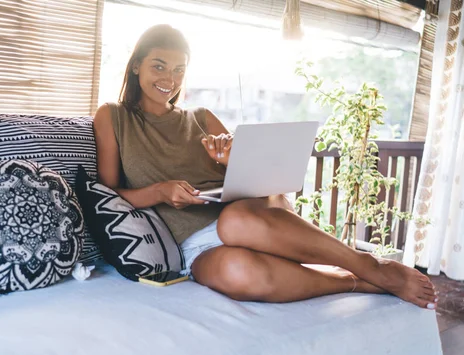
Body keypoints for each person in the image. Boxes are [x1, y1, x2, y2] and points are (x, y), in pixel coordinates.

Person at [92, 24, 438, 309]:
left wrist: (228, 161)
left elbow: (264, 182)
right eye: (159, 66)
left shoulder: (200, 117)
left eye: (179, 69)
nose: (169, 78)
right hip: (191, 244)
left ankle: (370, 264)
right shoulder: (112, 116)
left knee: (234, 221)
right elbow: (107, 194)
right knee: (237, 274)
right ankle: (355, 281)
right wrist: (159, 191)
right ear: (136, 65)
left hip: (247, 219)